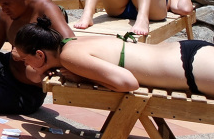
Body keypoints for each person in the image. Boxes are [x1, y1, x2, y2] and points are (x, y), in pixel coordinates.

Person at [14, 16, 214, 96]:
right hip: (187, 56)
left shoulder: (69, 56)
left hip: (190, 68)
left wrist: (87, 78)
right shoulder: (73, 43)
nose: (26, 63)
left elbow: (128, 83)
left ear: (40, 54)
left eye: (25, 59)